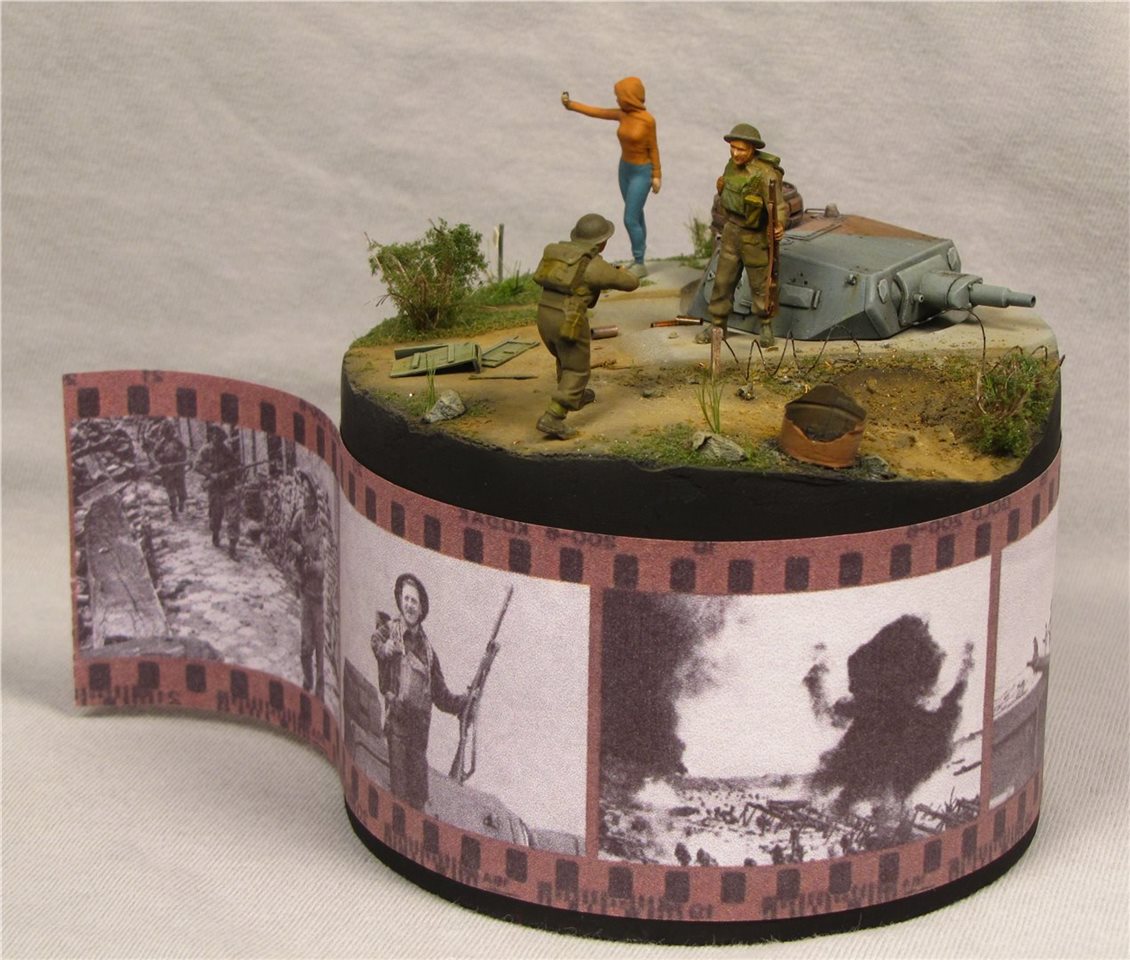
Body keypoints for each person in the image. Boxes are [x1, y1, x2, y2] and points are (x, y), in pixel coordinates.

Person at [532, 213, 639, 439]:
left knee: (564, 358)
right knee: (577, 369)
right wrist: (620, 271)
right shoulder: (593, 265)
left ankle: (575, 395)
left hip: (544, 314)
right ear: (602, 242)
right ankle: (554, 416)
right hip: (568, 319)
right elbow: (631, 283)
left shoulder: (561, 254)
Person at [371, 574, 468, 810]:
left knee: (418, 797)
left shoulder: (429, 652)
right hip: (398, 726)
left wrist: (464, 702)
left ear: (421, 608)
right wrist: (385, 649)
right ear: (400, 601)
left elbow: (441, 696)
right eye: (406, 599)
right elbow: (375, 642)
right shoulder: (390, 631)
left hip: (419, 733)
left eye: (414, 601)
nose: (409, 605)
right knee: (399, 795)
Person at [562, 77, 661, 277]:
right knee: (637, 214)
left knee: (630, 218)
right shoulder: (622, 115)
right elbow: (596, 112)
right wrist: (570, 105)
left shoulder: (648, 121)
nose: (617, 100)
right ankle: (639, 259)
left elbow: (653, 147)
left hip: (642, 172)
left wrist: (657, 174)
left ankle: (639, 261)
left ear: (630, 97)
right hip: (625, 170)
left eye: (619, 96)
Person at [701, 123, 788, 348]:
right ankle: (718, 324)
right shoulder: (731, 166)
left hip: (754, 237)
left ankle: (765, 327)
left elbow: (779, 205)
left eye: (741, 149)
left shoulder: (765, 174)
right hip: (731, 232)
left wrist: (779, 224)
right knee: (723, 281)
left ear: (752, 149)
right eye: (733, 148)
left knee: (760, 285)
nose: (735, 153)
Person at [289, 472, 326, 698]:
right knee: (306, 646)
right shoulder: (299, 517)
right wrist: (297, 550)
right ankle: (307, 680)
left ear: (314, 496)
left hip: (320, 597)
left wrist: (313, 566)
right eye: (302, 491)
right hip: (306, 592)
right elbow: (291, 538)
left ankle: (319, 693)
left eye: (307, 492)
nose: (303, 496)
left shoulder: (322, 524)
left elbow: (326, 565)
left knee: (321, 649)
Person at [194, 426, 241, 558]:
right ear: (212, 437)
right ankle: (215, 533)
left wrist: (229, 473)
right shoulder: (205, 450)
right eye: (215, 436)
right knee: (216, 517)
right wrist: (211, 474)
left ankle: (232, 547)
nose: (216, 440)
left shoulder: (226, 451)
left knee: (233, 518)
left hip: (228, 487)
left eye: (219, 438)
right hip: (215, 489)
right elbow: (196, 465)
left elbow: (234, 465)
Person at [148, 420, 187, 520]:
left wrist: (179, 457)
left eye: (169, 432)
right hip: (167, 470)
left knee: (181, 489)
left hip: (178, 469)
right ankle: (173, 511)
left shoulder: (178, 442)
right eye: (165, 433)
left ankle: (182, 501)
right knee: (171, 492)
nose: (167, 435)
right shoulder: (161, 443)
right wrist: (162, 458)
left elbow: (184, 453)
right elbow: (154, 455)